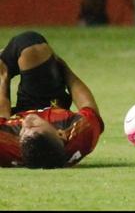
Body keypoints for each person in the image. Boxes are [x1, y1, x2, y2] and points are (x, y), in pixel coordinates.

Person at [0, 31, 103, 168]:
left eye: (23, 131)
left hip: (10, 117)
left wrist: (3, 80)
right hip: (51, 103)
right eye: (34, 126)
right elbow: (87, 104)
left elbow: (3, 117)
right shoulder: (81, 134)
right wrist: (64, 68)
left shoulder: (6, 148)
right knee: (33, 47)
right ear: (61, 134)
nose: (28, 120)